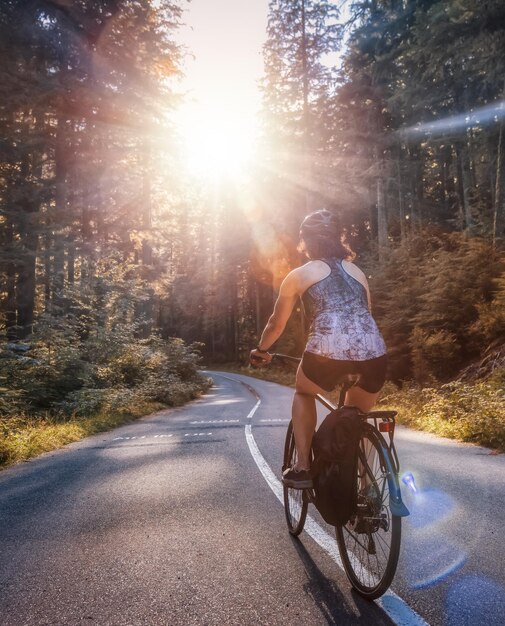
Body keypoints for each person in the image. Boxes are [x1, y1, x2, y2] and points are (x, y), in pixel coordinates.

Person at [249, 209, 387, 489]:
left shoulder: (299, 274)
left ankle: (303, 467)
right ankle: (366, 491)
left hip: (326, 352)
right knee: (358, 419)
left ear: (306, 241)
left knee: (303, 391)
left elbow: (277, 324)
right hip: (373, 353)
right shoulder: (358, 272)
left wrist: (261, 350)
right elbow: (366, 314)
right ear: (339, 239)